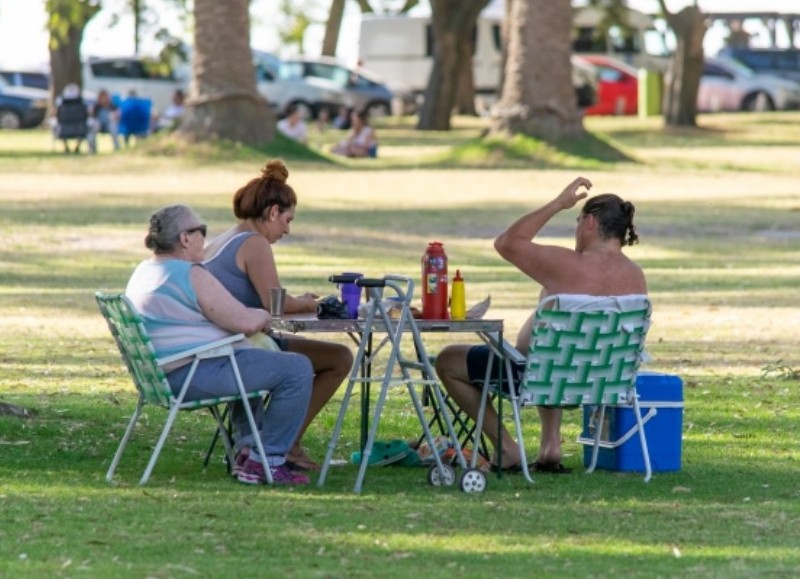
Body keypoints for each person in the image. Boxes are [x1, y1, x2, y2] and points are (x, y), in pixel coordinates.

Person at [435, 177, 647, 473]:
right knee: (560, 330)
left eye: (577, 221)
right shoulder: (636, 277)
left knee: (448, 360)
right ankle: (550, 446)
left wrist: (559, 203)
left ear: (589, 222)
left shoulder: (567, 265)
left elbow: (507, 243)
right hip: (602, 383)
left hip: (539, 379)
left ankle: (507, 448)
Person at [125, 204, 314, 485]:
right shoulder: (189, 274)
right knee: (297, 369)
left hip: (157, 377)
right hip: (189, 374)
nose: (205, 236)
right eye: (200, 230)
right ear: (184, 238)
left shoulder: (145, 270)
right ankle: (267, 461)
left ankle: (249, 449)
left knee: (246, 359)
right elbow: (245, 322)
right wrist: (264, 314)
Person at [203, 159, 353, 472]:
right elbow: (277, 305)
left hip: (222, 344)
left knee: (333, 356)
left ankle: (282, 442)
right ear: (273, 212)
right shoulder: (254, 243)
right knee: (340, 358)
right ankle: (286, 444)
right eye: (287, 219)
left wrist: (300, 300)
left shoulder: (223, 238)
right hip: (238, 350)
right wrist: (314, 303)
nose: (287, 228)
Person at [87, 88, 120, 153]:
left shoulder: (112, 106)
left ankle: (116, 147)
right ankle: (92, 149)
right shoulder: (97, 106)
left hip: (109, 124)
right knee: (93, 126)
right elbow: (91, 115)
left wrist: (115, 115)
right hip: (98, 125)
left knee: (113, 126)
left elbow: (117, 114)